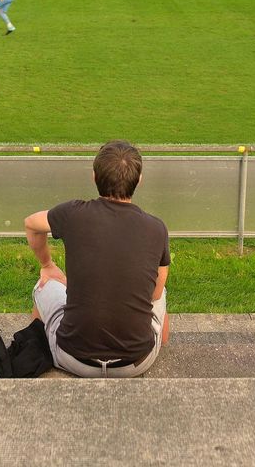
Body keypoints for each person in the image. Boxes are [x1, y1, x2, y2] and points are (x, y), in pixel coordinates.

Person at [24, 140, 170, 378]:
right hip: (135, 364)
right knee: (161, 292)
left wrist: (47, 265)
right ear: (139, 179)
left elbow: (31, 224)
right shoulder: (156, 228)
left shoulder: (73, 214)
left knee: (43, 286)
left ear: (94, 176)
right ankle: (160, 341)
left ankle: (36, 349)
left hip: (72, 358)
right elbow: (154, 294)